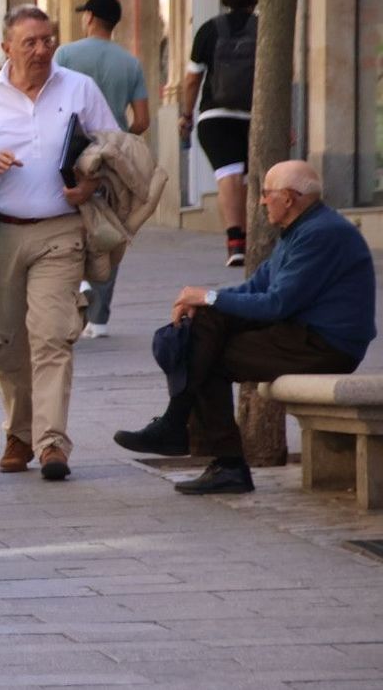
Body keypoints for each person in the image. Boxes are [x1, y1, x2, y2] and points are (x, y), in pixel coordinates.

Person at [113, 161, 375, 495]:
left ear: (290, 198)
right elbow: (255, 288)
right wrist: (203, 300)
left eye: (266, 194)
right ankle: (195, 440)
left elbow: (277, 304)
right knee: (205, 329)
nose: (261, 201)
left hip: (325, 344)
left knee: (207, 353)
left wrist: (207, 297)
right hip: (301, 332)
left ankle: (214, 453)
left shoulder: (321, 234)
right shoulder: (299, 231)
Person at [0, 5, 119, 481]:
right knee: (5, 342)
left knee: (51, 336)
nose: (43, 50)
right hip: (0, 231)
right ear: (7, 47)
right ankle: (19, 432)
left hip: (60, 231)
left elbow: (113, 148)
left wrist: (91, 185)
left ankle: (51, 444)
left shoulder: (78, 88)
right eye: (31, 42)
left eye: (48, 40)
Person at [54, 0, 149, 339]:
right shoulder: (130, 62)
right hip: (110, 157)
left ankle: (75, 290)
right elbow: (142, 119)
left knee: (67, 226)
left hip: (69, 153)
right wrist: (121, 136)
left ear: (90, 17)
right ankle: (100, 318)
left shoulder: (65, 54)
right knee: (108, 230)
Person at [181, 0, 259, 267]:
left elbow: (191, 79)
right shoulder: (264, 28)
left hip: (215, 116)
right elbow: (281, 79)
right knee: (252, 177)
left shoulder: (209, 30)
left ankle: (235, 241)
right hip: (255, 116)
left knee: (228, 173)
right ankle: (254, 236)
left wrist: (186, 115)